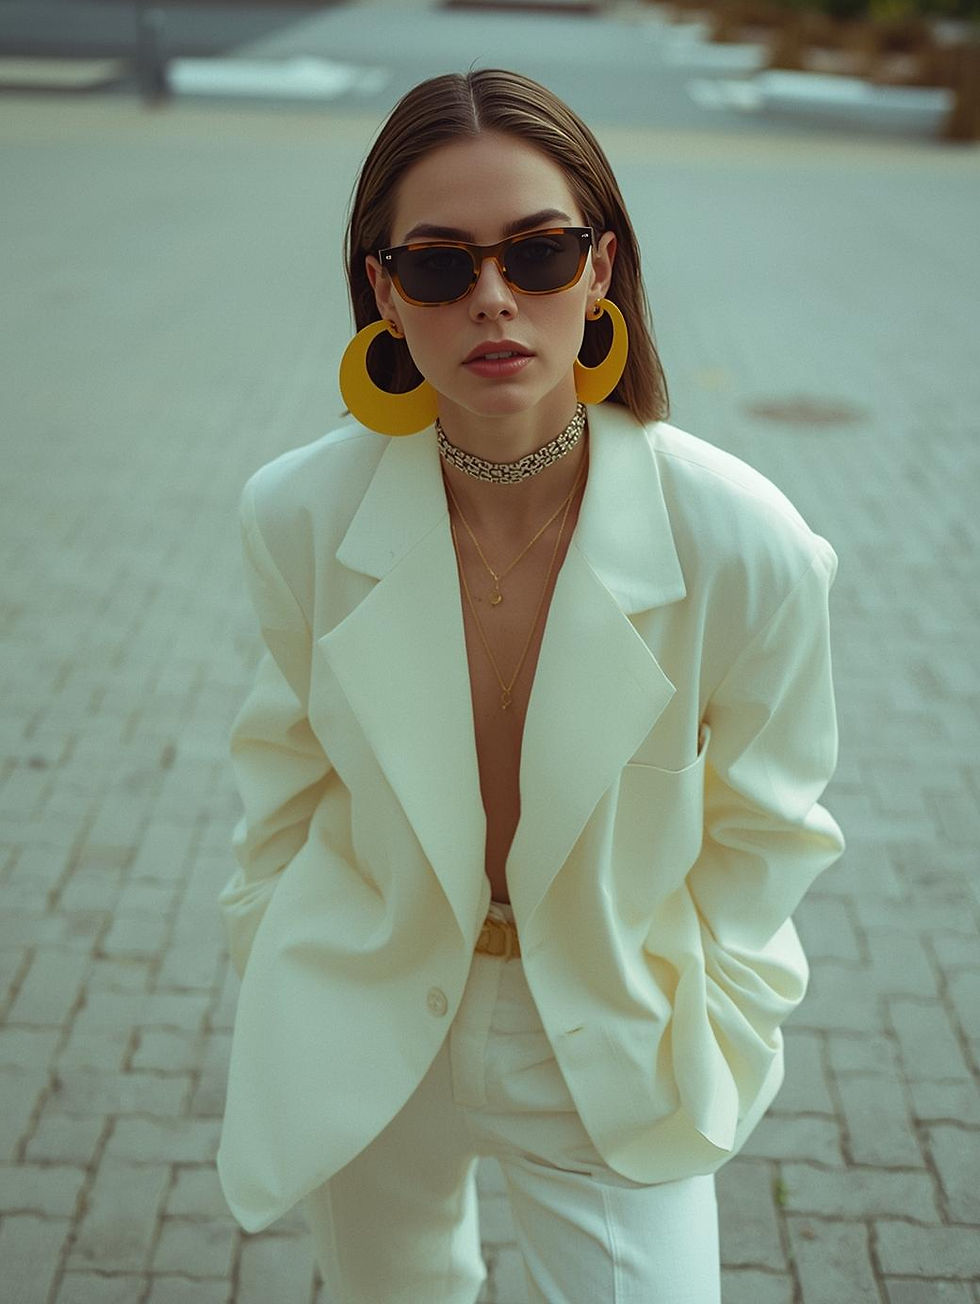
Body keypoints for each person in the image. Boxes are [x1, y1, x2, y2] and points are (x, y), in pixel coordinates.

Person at [216, 68, 845, 1303]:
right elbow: (284, 764)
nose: (493, 298)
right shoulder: (296, 512)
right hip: (367, 1002)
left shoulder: (743, 540)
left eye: (540, 254)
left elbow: (772, 823)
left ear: (599, 269)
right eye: (441, 266)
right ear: (382, 292)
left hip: (614, 1024)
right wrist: (274, 943)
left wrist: (712, 1001)